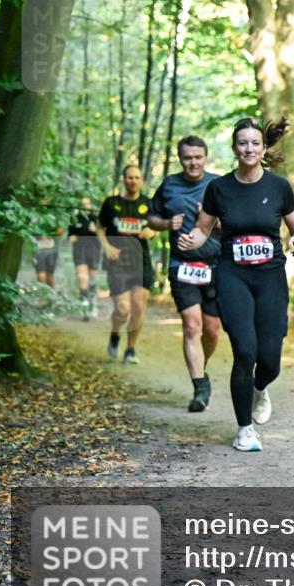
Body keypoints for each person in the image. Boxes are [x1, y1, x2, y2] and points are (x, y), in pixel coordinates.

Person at [178, 117, 294, 452]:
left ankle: (260, 389)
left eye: (255, 143)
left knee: (270, 360)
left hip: (270, 276)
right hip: (232, 275)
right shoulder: (219, 188)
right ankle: (244, 429)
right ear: (235, 148)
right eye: (242, 143)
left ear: (264, 148)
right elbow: (204, 228)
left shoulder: (279, 187)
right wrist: (192, 239)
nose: (248, 148)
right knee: (245, 351)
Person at [148, 136, 221, 412]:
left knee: (212, 329)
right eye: (188, 157)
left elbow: (236, 223)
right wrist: (168, 222)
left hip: (216, 265)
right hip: (183, 266)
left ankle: (203, 365)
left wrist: (212, 220)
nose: (193, 162)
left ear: (205, 157)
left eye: (198, 157)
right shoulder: (169, 185)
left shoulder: (217, 185)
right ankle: (200, 386)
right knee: (192, 325)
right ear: (181, 159)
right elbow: (152, 219)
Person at [97, 165, 157, 364]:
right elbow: (100, 227)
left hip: (142, 262)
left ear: (142, 181)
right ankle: (115, 334)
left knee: (138, 307)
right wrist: (106, 245)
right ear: (123, 179)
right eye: (129, 177)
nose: (133, 181)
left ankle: (130, 350)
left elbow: (157, 226)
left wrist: (152, 232)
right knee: (123, 309)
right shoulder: (111, 203)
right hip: (117, 263)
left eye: (136, 177)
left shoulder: (148, 204)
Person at [69, 197, 101, 317]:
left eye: (87, 204)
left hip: (94, 250)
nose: (84, 206)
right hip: (79, 250)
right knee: (83, 278)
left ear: (91, 205)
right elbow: (70, 234)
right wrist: (71, 237)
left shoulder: (96, 218)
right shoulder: (75, 218)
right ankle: (84, 304)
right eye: (82, 204)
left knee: (92, 280)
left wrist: (96, 230)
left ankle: (93, 303)